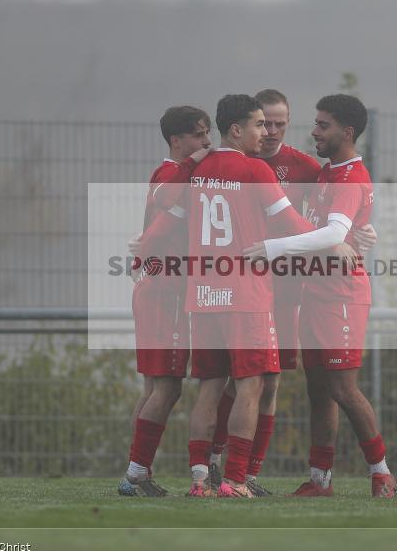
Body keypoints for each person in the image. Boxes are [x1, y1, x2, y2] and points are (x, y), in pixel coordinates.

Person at [132, 94, 315, 498]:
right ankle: (234, 480)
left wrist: (143, 248)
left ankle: (199, 480)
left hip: (203, 296)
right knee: (252, 385)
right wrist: (333, 240)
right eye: (258, 125)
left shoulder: (196, 171)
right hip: (246, 295)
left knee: (210, 387)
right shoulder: (255, 170)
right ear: (236, 129)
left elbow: (165, 211)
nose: (265, 133)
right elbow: (290, 222)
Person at [207, 89, 377, 496]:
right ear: (248, 124)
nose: (271, 131)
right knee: (224, 379)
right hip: (236, 282)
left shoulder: (306, 168)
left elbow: (329, 217)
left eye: (281, 124)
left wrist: (359, 234)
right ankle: (210, 466)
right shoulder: (225, 163)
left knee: (268, 381)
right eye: (264, 122)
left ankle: (244, 473)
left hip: (287, 290)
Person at [245, 94, 397, 498]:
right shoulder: (328, 173)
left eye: (323, 125)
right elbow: (338, 229)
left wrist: (271, 248)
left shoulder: (349, 177)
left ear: (346, 132)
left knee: (343, 388)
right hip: (315, 291)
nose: (314, 131)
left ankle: (382, 473)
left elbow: (332, 234)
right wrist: (363, 232)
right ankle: (320, 481)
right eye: (315, 123)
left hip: (341, 295)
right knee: (318, 388)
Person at [117, 106, 211, 497]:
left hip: (153, 287)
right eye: (199, 134)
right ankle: (135, 476)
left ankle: (139, 472)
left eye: (208, 133)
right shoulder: (175, 174)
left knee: (153, 387)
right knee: (168, 389)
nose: (207, 142)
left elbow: (149, 226)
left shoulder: (161, 174)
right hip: (168, 291)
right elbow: (165, 219)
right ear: (177, 140)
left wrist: (140, 256)